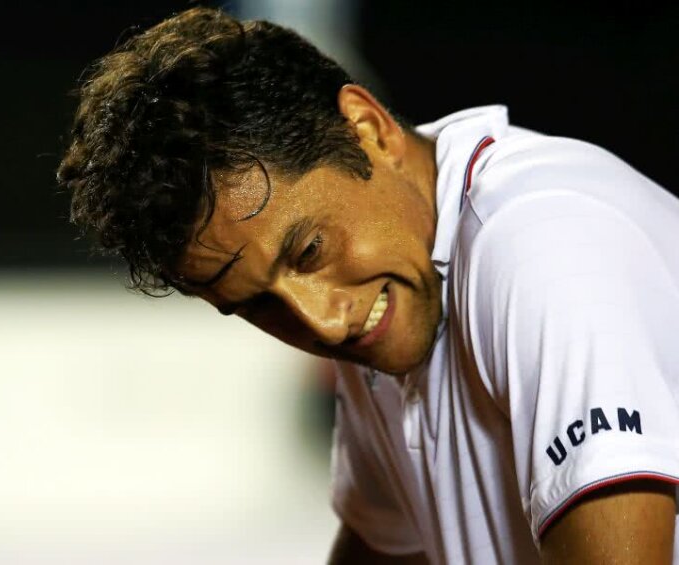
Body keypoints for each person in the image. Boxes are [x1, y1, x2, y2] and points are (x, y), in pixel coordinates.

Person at [56, 7, 679, 564]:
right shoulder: (393, 278)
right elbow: (384, 549)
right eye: (253, 305)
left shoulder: (542, 243)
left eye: (308, 249)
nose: (321, 323)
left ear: (368, 129)